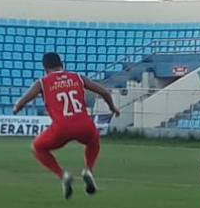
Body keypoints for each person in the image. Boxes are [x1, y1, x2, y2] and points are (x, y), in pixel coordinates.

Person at [13, 51, 120, 199]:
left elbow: (24, 100)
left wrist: (17, 107)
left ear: (44, 68)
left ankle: (62, 175)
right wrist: (112, 108)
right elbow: (104, 93)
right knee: (93, 140)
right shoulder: (77, 77)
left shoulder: (42, 82)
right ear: (62, 65)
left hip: (61, 128)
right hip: (83, 125)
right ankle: (88, 170)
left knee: (37, 147)